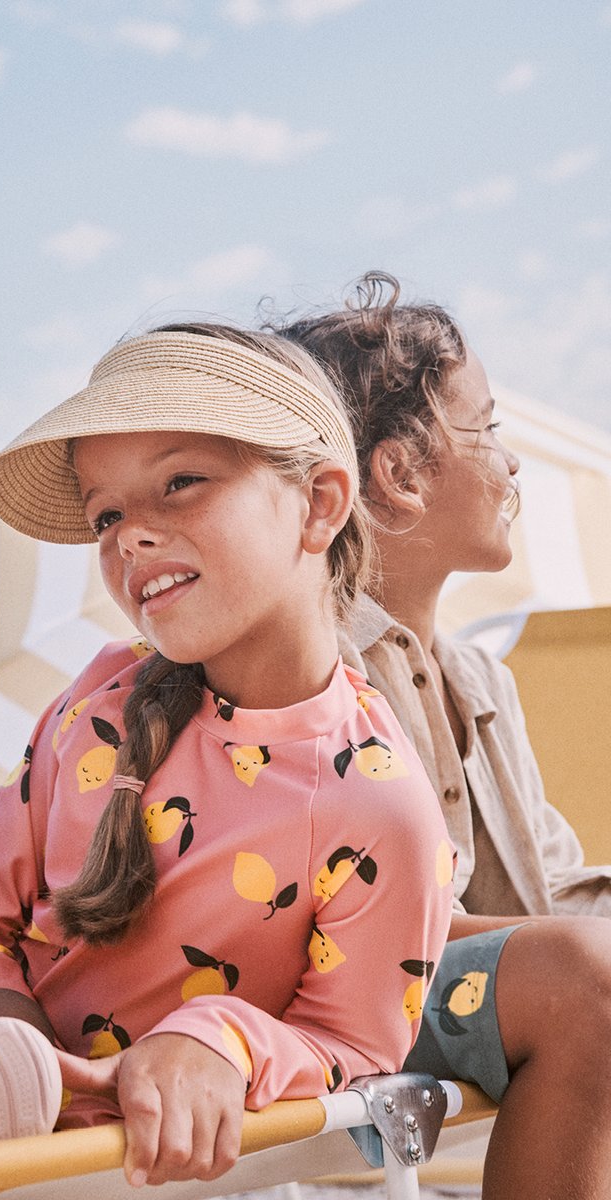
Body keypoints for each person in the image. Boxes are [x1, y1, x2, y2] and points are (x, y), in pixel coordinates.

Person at [0, 324, 453, 1189]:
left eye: (181, 484)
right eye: (107, 514)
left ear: (319, 503)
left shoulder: (386, 807)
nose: (130, 538)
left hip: (171, 1169)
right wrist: (35, 1071)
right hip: (17, 1153)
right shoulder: (97, 705)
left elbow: (355, 1045)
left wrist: (218, 1039)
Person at [280, 272, 611, 1199]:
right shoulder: (312, 667)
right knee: (592, 981)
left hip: (497, 1000)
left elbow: (557, 887)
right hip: (367, 1015)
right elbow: (398, 934)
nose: (512, 465)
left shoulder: (478, 677)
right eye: (489, 431)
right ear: (398, 474)